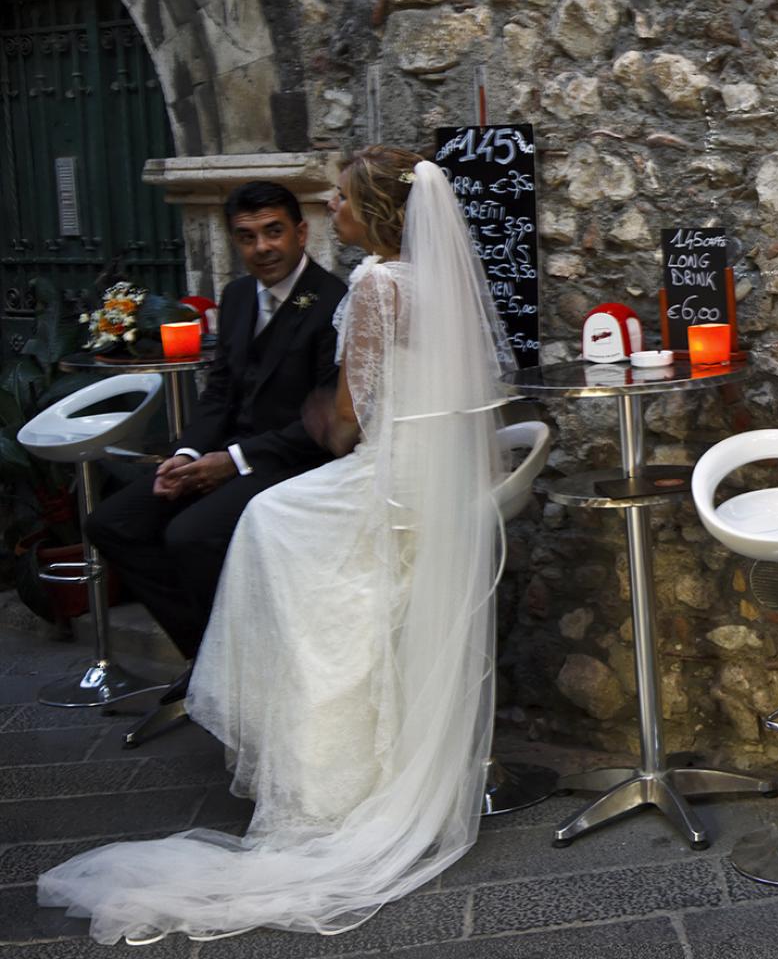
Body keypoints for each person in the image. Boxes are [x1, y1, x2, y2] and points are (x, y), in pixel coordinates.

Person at [39, 147, 516, 944]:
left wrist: (324, 421)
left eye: (342, 197)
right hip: (435, 476)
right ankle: (350, 737)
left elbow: (353, 416)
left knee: (269, 524)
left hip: (386, 473)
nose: (333, 207)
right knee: (267, 531)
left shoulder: (374, 281)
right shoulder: (439, 279)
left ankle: (320, 764)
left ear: (374, 209)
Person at [85, 181, 344, 663]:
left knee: (190, 534)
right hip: (223, 452)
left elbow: (327, 421)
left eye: (273, 231)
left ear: (301, 232)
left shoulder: (333, 301)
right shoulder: (238, 294)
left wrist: (234, 461)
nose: (262, 247)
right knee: (112, 522)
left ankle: (236, 660)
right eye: (247, 236)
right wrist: (185, 455)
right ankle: (208, 656)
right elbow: (220, 392)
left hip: (291, 460)